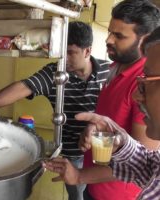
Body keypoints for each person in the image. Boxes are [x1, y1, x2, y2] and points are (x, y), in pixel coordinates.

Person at [45, 0, 160, 199]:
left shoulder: (144, 82)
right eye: (110, 32)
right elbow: (145, 160)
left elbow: (146, 157)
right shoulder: (113, 69)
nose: (108, 40)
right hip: (95, 188)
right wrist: (95, 128)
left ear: (146, 40)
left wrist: (80, 175)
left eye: (119, 36)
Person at [0, 21, 110, 200]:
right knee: (78, 197)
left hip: (103, 154)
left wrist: (94, 127)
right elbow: (23, 87)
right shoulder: (56, 73)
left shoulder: (108, 71)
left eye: (71, 53)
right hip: (73, 156)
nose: (64, 59)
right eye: (62, 52)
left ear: (87, 51)